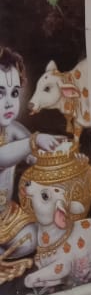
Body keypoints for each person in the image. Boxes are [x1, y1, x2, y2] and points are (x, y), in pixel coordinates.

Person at [0, 47, 60, 268]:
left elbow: (34, 154)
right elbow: (3, 156)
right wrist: (34, 142)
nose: (9, 103)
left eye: (14, 93)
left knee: (33, 238)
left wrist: (51, 152)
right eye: (0, 94)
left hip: (6, 216)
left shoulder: (12, 129)